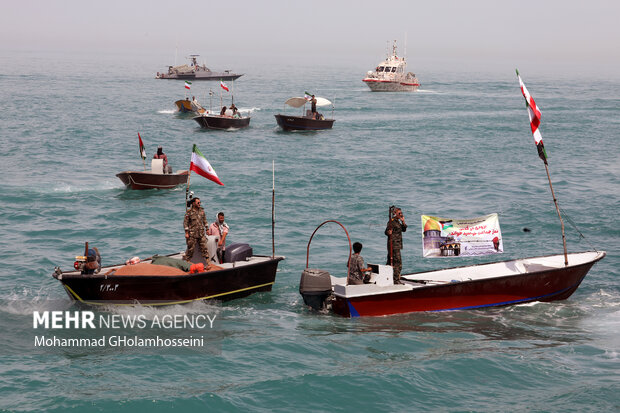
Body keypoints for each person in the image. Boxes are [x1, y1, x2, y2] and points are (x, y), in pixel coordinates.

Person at [183, 197, 210, 264]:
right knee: (190, 249)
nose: (199, 204)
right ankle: (187, 262)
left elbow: (204, 220)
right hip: (192, 234)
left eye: (200, 202)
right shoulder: (189, 213)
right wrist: (186, 233)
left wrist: (207, 229)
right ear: (193, 203)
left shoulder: (202, 211)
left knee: (204, 248)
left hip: (201, 233)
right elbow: (185, 223)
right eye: (198, 202)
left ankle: (208, 262)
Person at [385, 207, 407, 284]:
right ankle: (396, 280)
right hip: (393, 245)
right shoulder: (392, 222)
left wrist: (403, 222)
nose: (401, 214)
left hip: (397, 244)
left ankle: (386, 277)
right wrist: (389, 232)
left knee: (390, 262)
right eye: (399, 213)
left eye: (401, 213)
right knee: (398, 263)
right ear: (395, 214)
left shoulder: (398, 222)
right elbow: (386, 231)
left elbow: (404, 230)